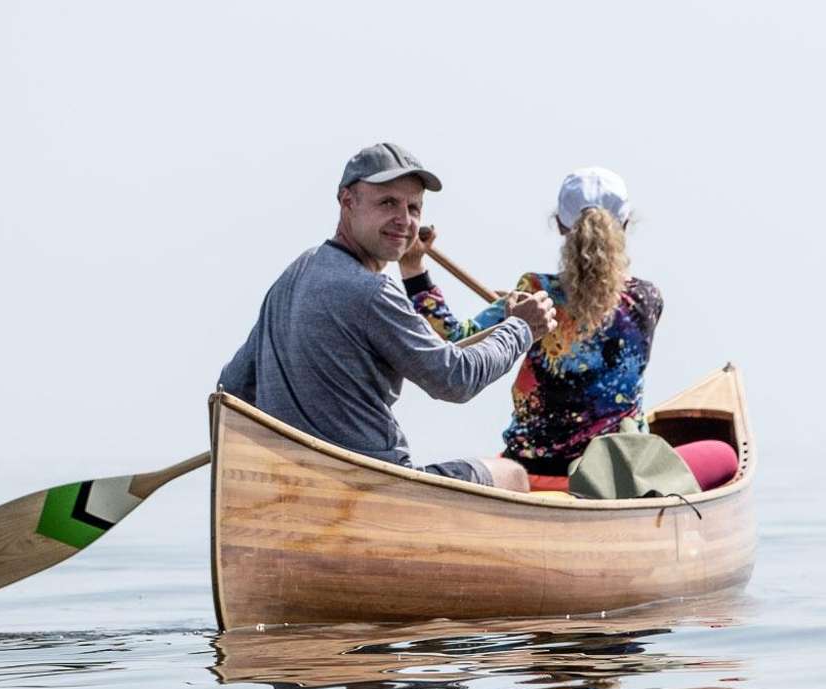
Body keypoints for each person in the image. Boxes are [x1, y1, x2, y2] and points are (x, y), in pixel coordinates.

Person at [217, 143, 556, 490]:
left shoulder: (296, 273)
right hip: (378, 485)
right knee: (512, 475)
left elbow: (232, 387)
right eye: (387, 203)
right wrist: (520, 329)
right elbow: (455, 379)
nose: (404, 220)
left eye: (414, 208)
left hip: (296, 486)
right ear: (347, 201)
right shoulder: (372, 291)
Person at [401, 167, 662, 483]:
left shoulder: (537, 292)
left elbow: (457, 338)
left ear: (561, 226)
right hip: (613, 469)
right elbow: (593, 312)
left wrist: (412, 268)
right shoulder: (648, 299)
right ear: (625, 223)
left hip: (534, 465)